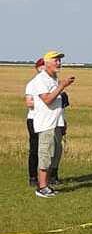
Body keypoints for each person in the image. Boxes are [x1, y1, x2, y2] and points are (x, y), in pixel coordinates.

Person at [29, 50, 76, 198]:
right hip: (46, 124)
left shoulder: (53, 79)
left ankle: (47, 184)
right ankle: (41, 187)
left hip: (56, 123)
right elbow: (47, 99)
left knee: (55, 154)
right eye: (55, 60)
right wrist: (62, 86)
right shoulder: (40, 80)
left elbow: (57, 104)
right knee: (45, 155)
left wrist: (63, 121)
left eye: (59, 60)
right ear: (47, 63)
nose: (59, 63)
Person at [24, 58, 45, 186]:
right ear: (37, 68)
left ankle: (50, 176)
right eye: (41, 66)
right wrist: (45, 101)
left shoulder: (52, 83)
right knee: (34, 149)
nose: (43, 68)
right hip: (34, 119)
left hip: (48, 119)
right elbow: (29, 103)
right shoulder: (32, 84)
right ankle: (33, 177)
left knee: (47, 149)